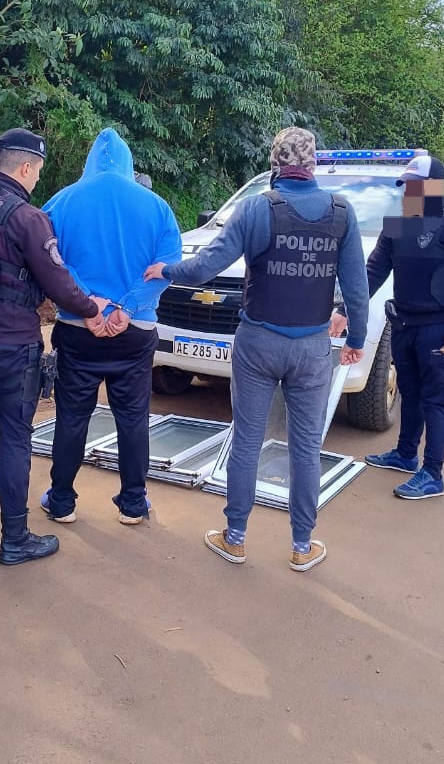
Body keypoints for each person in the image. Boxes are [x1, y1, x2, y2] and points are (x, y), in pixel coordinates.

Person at [145, 126, 368, 571]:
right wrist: (356, 340)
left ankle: (235, 537)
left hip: (257, 343)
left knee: (247, 439)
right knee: (305, 447)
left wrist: (165, 270)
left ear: (275, 163)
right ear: (313, 164)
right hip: (311, 347)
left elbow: (207, 267)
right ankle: (303, 546)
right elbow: (357, 289)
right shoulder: (342, 212)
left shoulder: (255, 209)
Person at [0, 128, 109, 564]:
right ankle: (14, 537)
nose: (37, 180)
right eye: (37, 172)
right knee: (15, 438)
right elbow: (58, 283)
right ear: (24, 167)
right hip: (12, 344)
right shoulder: (26, 218)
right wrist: (92, 307)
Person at [39, 130, 182, 526]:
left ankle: (62, 501)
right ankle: (134, 504)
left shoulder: (60, 202)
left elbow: (48, 261)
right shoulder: (157, 207)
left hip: (77, 330)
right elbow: (168, 261)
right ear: (128, 161)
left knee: (71, 417)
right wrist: (128, 306)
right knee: (133, 419)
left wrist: (87, 304)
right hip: (134, 332)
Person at [364, 152, 444, 499]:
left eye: (416, 186)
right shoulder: (400, 222)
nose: (409, 193)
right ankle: (405, 455)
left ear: (436, 187)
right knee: (411, 392)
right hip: (404, 323)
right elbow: (375, 270)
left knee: (435, 399)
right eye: (406, 187)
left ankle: (433, 472)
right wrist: (348, 307)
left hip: (439, 327)